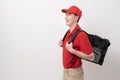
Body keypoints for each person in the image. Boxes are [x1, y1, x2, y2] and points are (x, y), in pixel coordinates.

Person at [58, 6, 94, 80]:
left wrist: (72, 51)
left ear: (76, 18)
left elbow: (91, 56)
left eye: (69, 15)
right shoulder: (68, 33)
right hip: (65, 71)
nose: (66, 17)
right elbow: (71, 47)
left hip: (74, 73)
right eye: (66, 15)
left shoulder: (81, 35)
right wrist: (62, 44)